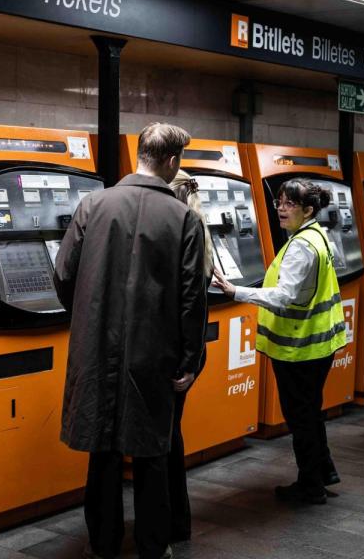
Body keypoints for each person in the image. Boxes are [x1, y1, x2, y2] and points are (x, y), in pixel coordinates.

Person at [54, 123, 207, 559]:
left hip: (96, 348)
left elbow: (63, 275)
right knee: (151, 450)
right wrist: (190, 358)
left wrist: (88, 318)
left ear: (140, 153)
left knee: (101, 450)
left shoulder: (92, 205)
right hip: (154, 352)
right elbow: (191, 297)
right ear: (173, 161)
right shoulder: (184, 219)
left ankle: (102, 543)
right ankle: (153, 546)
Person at [212, 178, 346, 505]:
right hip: (318, 345)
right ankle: (322, 471)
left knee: (300, 416)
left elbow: (285, 297)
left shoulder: (302, 245)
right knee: (311, 411)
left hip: (298, 347)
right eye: (279, 203)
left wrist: (236, 292)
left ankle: (310, 485)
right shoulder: (318, 235)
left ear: (308, 210)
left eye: (289, 205)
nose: (281, 210)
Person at [165, 169, 215, 542]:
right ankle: (178, 522)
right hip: (189, 353)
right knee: (171, 436)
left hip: (175, 355)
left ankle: (174, 523)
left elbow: (186, 305)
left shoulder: (181, 233)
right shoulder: (200, 229)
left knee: (165, 442)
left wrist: (186, 362)